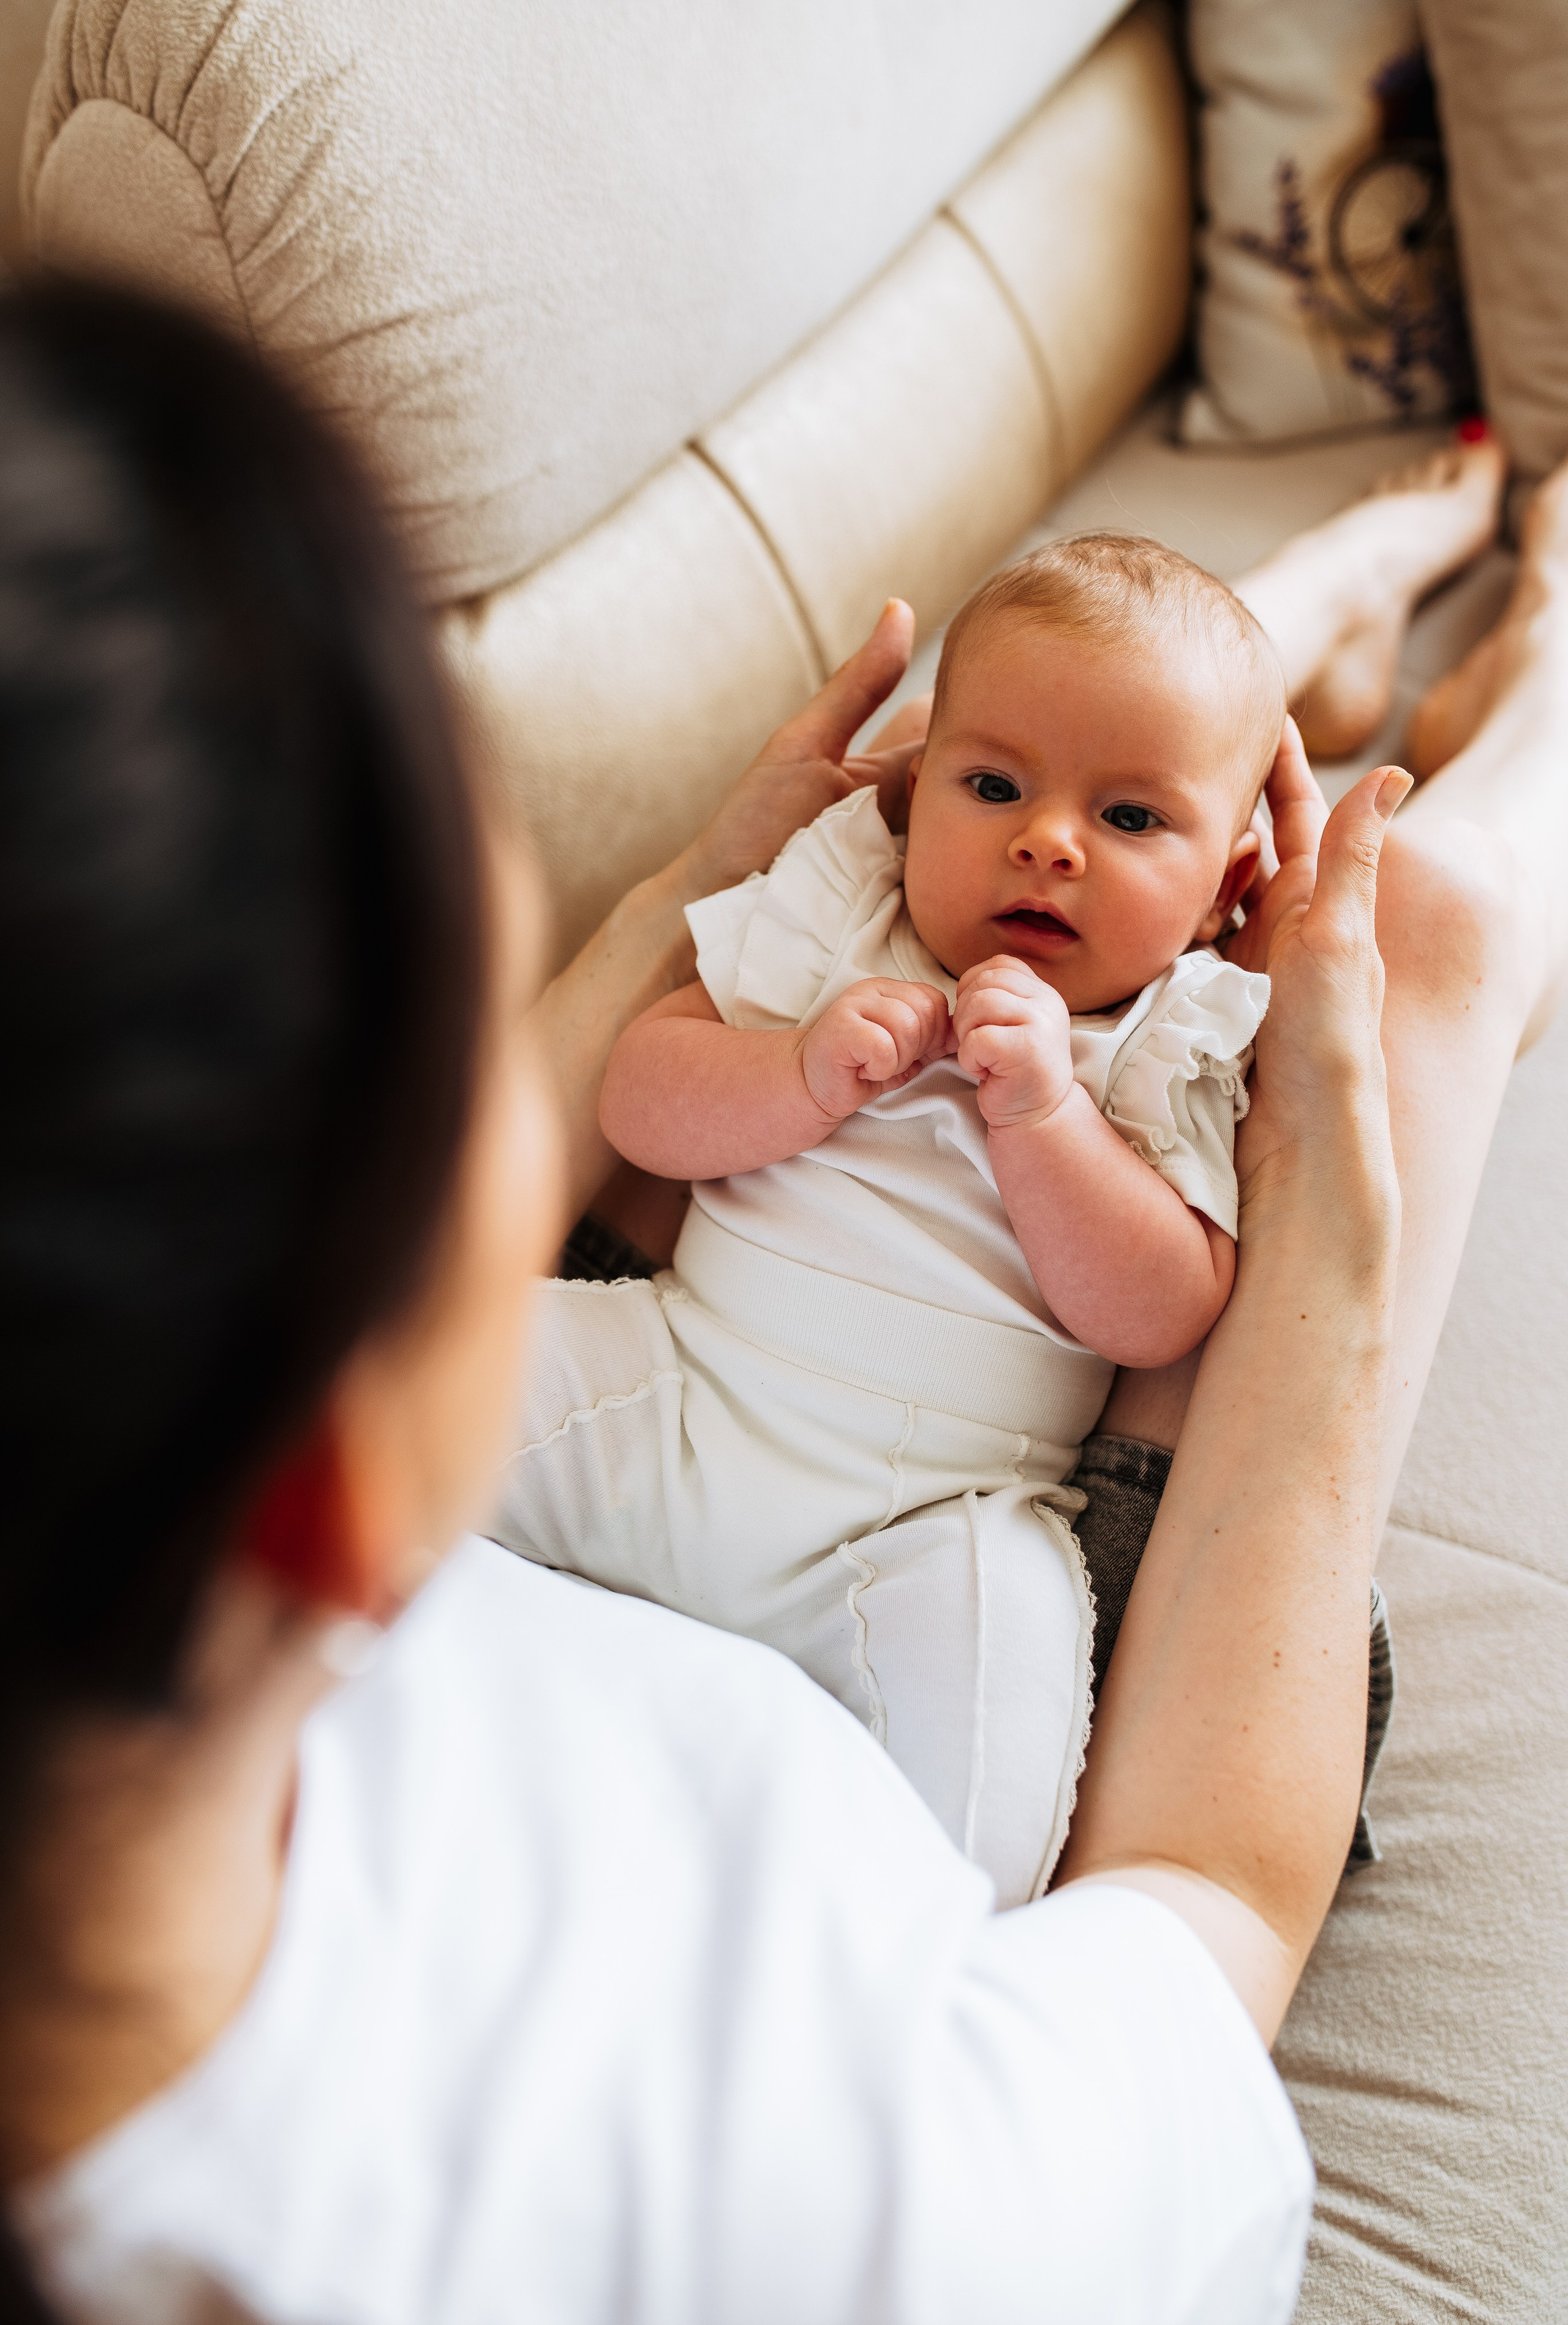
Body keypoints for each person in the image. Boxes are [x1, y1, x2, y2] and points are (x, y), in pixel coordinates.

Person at [0, 272, 1553, 2324]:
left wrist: (689, 907)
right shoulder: (908, 2208)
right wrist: (1329, 1270)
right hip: (913, 1506)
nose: (553, 1058)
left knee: (1091, 772)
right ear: (327, 1460)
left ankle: (1312, 616)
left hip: (833, 1422)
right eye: (481, 1063)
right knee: (1417, 934)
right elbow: (1208, 1907)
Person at [488, 537, 1287, 1907]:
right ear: (909, 806)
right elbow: (640, 1099)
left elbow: (1159, 1310)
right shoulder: (841, 913)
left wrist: (1045, 1122)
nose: (1046, 840)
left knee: (1001, 1709)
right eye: (991, 787)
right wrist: (792, 1071)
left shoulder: (1172, 1035)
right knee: (428, 1382)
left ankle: (908, 1955)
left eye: (1131, 820)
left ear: (1225, 893)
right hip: (676, 1392)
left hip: (931, 1515)